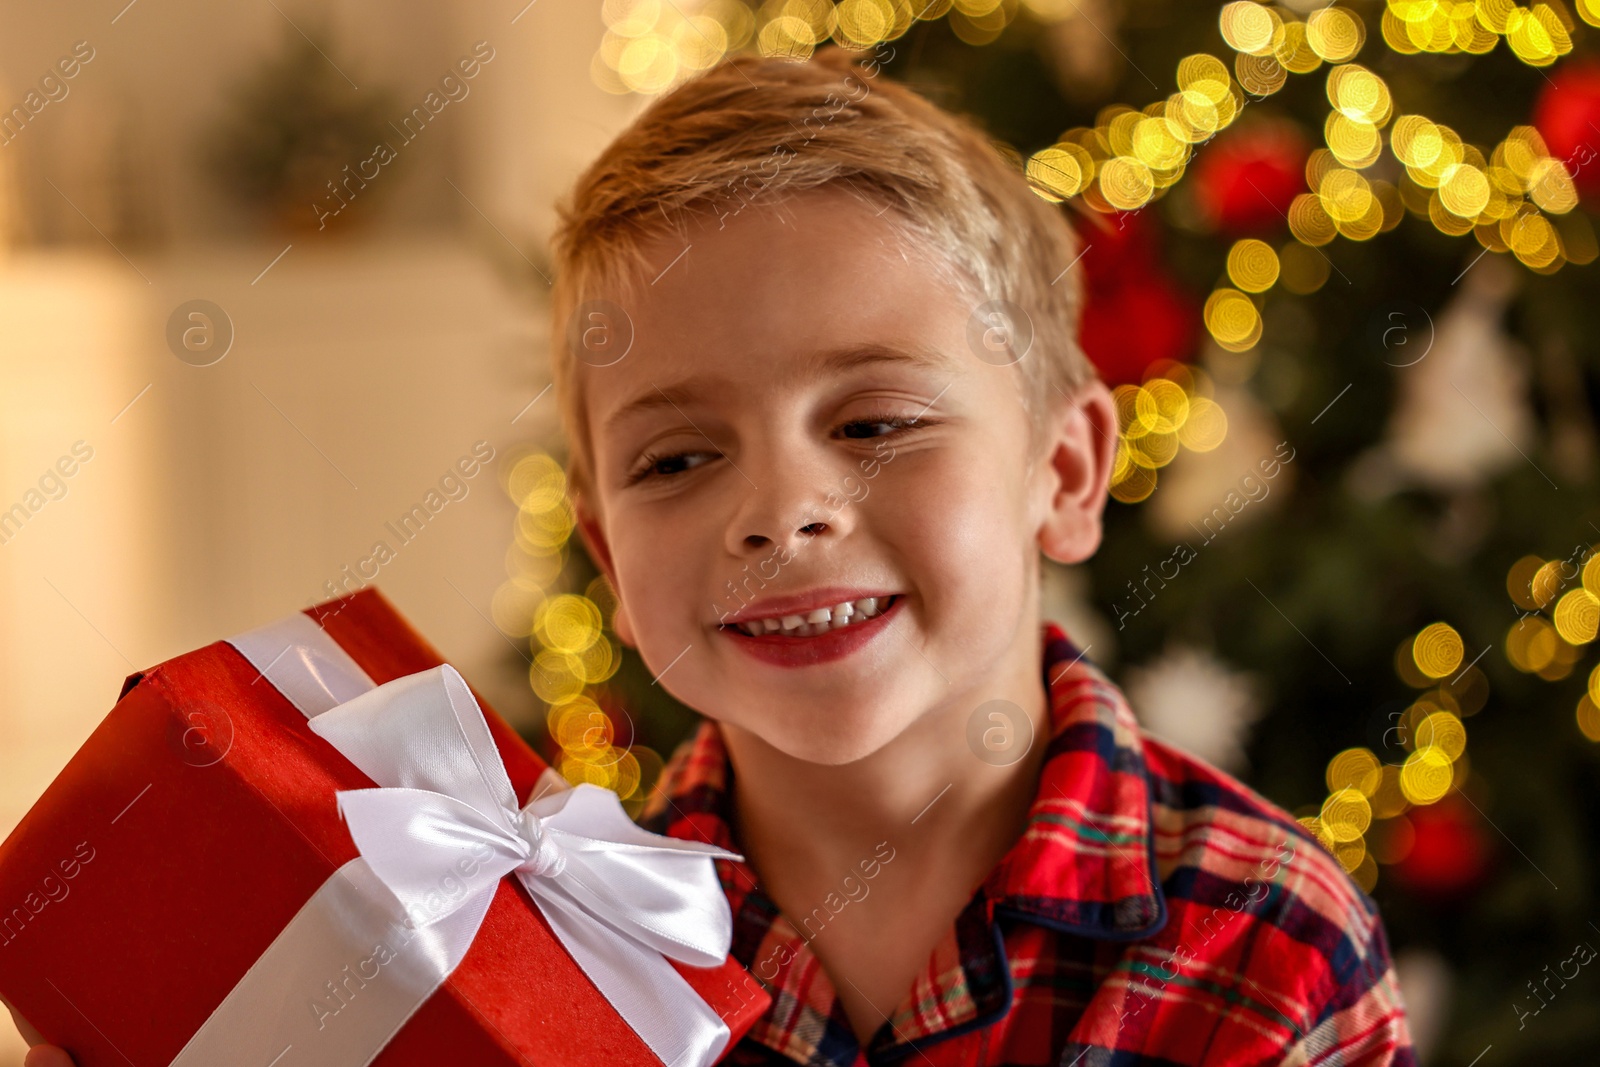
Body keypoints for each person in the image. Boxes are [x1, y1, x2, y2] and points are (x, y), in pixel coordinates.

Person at [11, 44, 1415, 1066]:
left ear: (1063, 469)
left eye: (874, 420)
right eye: (680, 458)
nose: (780, 511)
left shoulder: (1262, 938)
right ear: (612, 561)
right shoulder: (520, 952)